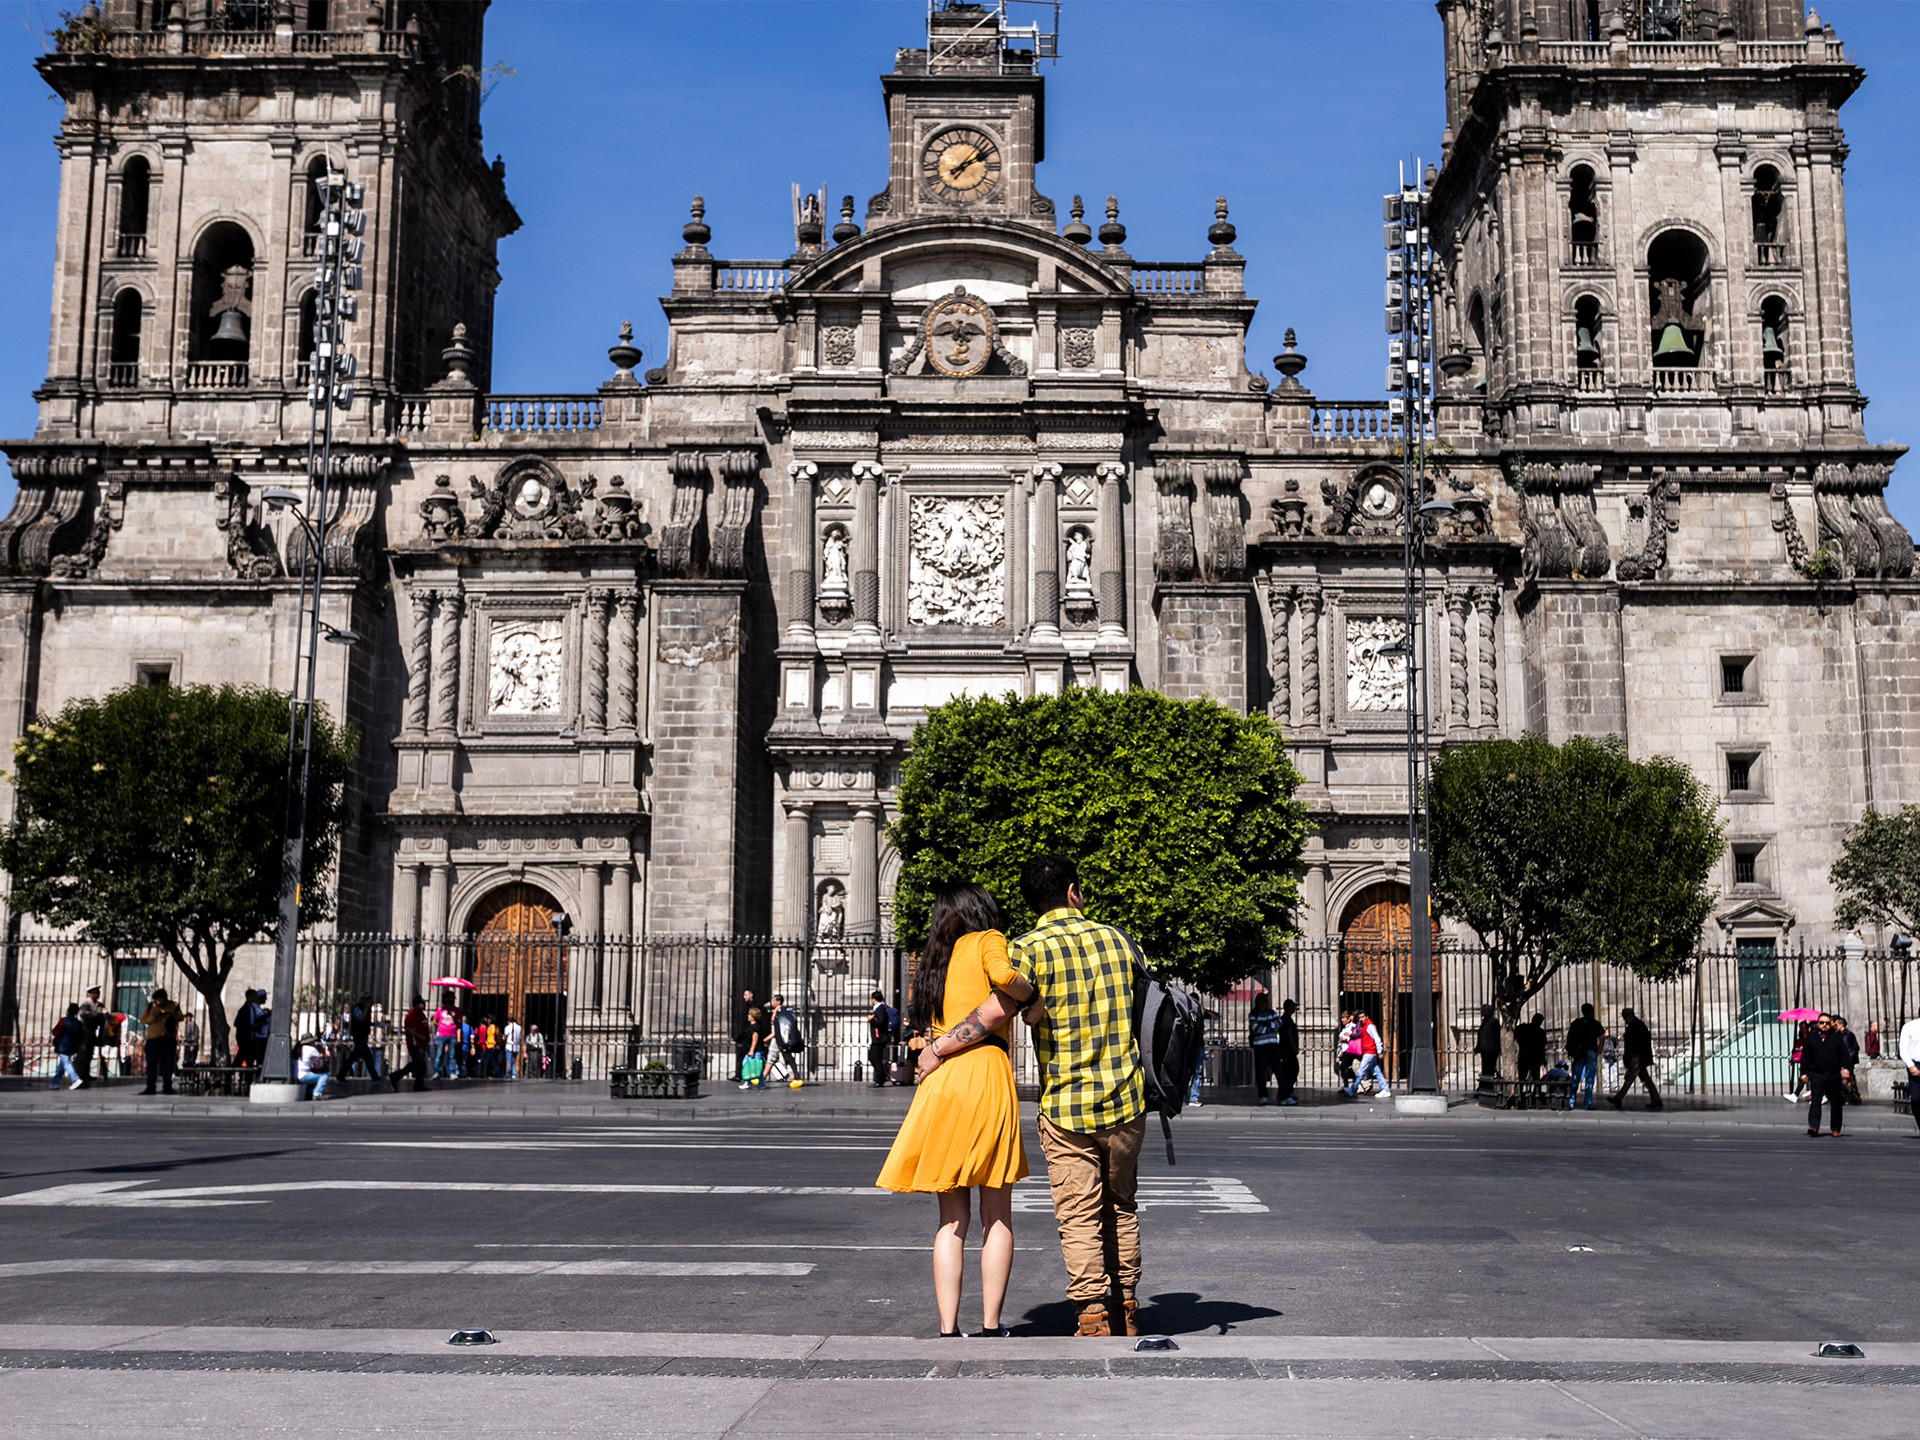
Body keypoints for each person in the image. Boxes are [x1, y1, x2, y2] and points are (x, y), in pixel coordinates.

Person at [955, 854, 1146, 1339]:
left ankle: (1092, 1316)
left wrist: (937, 1048)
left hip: (1065, 1105)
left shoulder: (1026, 951)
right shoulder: (1121, 940)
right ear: (1073, 891)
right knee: (1121, 1205)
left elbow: (994, 1013)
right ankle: (1126, 1305)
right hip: (1127, 1098)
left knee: (1078, 1214)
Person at [882, 882, 1034, 1337]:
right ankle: (990, 1324)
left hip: (941, 1081)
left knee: (950, 1218)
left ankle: (948, 1327)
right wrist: (1030, 992)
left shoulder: (934, 959)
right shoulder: (988, 939)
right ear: (979, 909)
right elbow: (1004, 980)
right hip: (983, 1073)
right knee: (996, 1214)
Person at [1799, 1011, 1852, 1137]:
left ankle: (1836, 1128)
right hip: (1817, 1074)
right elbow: (1805, 1057)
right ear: (1817, 1024)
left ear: (1831, 1024)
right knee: (1815, 1101)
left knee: (1836, 1103)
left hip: (1833, 1075)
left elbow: (1845, 1055)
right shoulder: (1811, 1038)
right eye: (1822, 1023)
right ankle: (1814, 1126)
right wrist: (1804, 1073)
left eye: (1827, 1023)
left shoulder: (1836, 1038)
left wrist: (1846, 1068)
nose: (1824, 1025)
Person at [1606, 1007, 1663, 1110]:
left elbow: (1635, 1044)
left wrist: (1632, 1057)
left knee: (1630, 1078)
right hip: (1638, 1057)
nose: (1624, 1019)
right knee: (1645, 1080)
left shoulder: (1636, 1026)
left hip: (1637, 1057)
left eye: (1625, 1017)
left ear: (1629, 1016)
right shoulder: (1637, 1025)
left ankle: (1618, 1098)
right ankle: (1656, 1100)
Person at [138, 987, 183, 1096]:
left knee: (168, 1063)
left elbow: (181, 1017)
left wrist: (170, 1015)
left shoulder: (174, 1006)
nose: (160, 1003)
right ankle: (150, 1087)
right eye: (158, 1001)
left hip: (168, 1038)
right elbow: (142, 1020)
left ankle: (167, 1086)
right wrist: (153, 1017)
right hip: (153, 1039)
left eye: (162, 1000)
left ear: (166, 998)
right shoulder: (150, 1007)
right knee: (151, 1064)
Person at [1564, 1004, 1604, 1110]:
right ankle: (1588, 1103)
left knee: (1575, 1077)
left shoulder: (1576, 1023)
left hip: (1579, 1052)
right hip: (1591, 1051)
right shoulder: (1596, 1024)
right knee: (1590, 1078)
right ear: (1591, 1012)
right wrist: (1599, 1049)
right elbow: (1602, 1038)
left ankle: (1571, 1100)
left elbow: (1569, 1037)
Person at [1343, 1012, 1390, 1100]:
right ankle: (1385, 1089)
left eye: (1362, 1017)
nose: (1361, 1019)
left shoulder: (1369, 1026)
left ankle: (1352, 1089)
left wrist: (1379, 1051)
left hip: (1369, 1052)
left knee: (1361, 1071)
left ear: (1366, 1017)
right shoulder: (1364, 1026)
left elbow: (1377, 1038)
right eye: (1359, 1018)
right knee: (1376, 1072)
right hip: (1368, 1051)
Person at [1248, 992, 1284, 1106]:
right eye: (1264, 1001)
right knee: (1261, 1073)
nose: (1266, 1003)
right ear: (1259, 1002)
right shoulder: (1253, 1014)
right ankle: (1263, 1096)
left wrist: (1266, 1026)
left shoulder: (1271, 1012)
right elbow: (1256, 1028)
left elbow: (1279, 1022)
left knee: (1279, 1071)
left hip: (1273, 1046)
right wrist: (1270, 1027)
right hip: (1260, 1047)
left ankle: (1285, 1095)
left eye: (1267, 1001)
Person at [392, 995, 431, 1092]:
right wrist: (419, 1036)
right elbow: (409, 1029)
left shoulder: (422, 1014)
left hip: (421, 1043)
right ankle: (418, 1084)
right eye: (421, 1004)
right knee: (420, 1064)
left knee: (416, 1064)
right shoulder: (411, 1015)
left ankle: (396, 1076)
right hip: (415, 1044)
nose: (423, 1005)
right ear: (416, 1005)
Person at [765, 994, 804, 1088]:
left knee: (771, 1057)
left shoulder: (778, 1012)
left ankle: (763, 1077)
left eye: (773, 1001)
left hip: (778, 1038)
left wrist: (766, 1039)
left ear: (778, 1002)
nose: (772, 1003)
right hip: (783, 1038)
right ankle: (797, 1076)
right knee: (788, 1057)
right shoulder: (784, 1012)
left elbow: (776, 1029)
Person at [345, 994, 381, 1083]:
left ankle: (340, 1075)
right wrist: (366, 1008)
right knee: (368, 1056)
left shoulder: (366, 1010)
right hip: (358, 1036)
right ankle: (375, 1077)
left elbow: (365, 1022)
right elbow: (361, 1018)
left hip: (363, 1036)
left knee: (352, 1058)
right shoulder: (357, 1009)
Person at [49, 1002, 85, 1090]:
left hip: (62, 1046)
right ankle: (55, 1083)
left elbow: (55, 1032)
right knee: (62, 1065)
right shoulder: (79, 1023)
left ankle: (75, 1079)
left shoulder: (63, 1021)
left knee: (66, 1063)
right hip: (72, 1046)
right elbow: (82, 1037)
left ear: (68, 1011)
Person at [1514, 1013, 1547, 1106]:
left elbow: (1515, 1034)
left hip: (1524, 1056)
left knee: (1522, 1078)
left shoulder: (1523, 1028)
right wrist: (1543, 1059)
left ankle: (1520, 1096)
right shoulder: (1540, 1032)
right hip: (1534, 1058)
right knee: (1536, 1079)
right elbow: (1542, 1047)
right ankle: (1536, 1097)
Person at [76, 985, 105, 1085]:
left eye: (98, 992)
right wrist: (96, 1013)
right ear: (90, 994)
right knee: (84, 1052)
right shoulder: (86, 1003)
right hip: (86, 1029)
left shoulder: (99, 1004)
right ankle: (81, 1073)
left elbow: (104, 1012)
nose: (97, 994)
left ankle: (86, 1073)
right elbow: (82, 1013)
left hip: (93, 1029)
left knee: (90, 1052)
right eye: (95, 992)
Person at [1898, 1010, 1920, 1136]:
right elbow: (1903, 1049)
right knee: (1916, 1098)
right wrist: (1911, 1066)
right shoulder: (1909, 1027)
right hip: (1915, 1064)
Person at [868, 989, 895, 1087]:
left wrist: (871, 1020)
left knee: (875, 1058)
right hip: (877, 1039)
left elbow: (881, 1023)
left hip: (879, 1038)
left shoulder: (880, 1009)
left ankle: (880, 1079)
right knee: (873, 1057)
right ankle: (882, 1076)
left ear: (873, 999)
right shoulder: (878, 1008)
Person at [732, 987, 757, 1084]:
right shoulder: (748, 1005)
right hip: (746, 1033)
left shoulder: (753, 1007)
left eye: (745, 995)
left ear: (751, 995)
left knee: (744, 1056)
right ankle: (740, 1074)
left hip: (748, 1034)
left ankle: (741, 1075)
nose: (744, 997)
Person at [296, 1033, 332, 1101]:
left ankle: (309, 1093)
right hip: (303, 1075)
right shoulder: (311, 1049)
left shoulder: (299, 1048)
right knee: (324, 1075)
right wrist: (326, 1052)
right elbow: (321, 1056)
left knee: (314, 1075)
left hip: (296, 1074)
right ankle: (317, 1093)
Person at [1472, 1004, 1501, 1083]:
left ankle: (1490, 1084)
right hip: (1485, 1049)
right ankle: (1485, 1084)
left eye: (1483, 1011)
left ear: (1488, 1012)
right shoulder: (1484, 1022)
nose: (1481, 1012)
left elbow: (1496, 1036)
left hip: (1491, 1050)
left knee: (1490, 1068)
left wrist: (1496, 1048)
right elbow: (1481, 1036)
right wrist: (1478, 1048)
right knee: (1486, 1069)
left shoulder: (1494, 1022)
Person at [739, 1006, 766, 1090]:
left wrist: (751, 1050)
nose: (748, 1016)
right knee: (754, 1066)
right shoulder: (753, 1026)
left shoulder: (755, 1027)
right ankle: (760, 1083)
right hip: (755, 1050)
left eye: (749, 1015)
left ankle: (749, 1082)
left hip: (756, 1050)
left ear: (753, 1016)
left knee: (750, 1065)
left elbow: (755, 1039)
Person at [1599, 1026, 1621, 1094]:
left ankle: (1613, 1084)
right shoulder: (1611, 1038)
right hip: (1609, 1057)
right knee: (1609, 1072)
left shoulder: (1608, 1038)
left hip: (1610, 1057)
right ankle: (1611, 1084)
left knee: (1612, 1071)